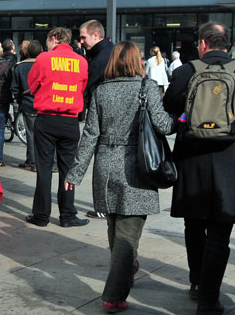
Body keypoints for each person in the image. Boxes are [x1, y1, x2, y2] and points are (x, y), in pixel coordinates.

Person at [65, 41, 175, 313]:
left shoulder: (101, 91)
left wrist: (75, 173)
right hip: (137, 167)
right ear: (137, 61)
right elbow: (163, 124)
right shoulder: (146, 87)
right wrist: (181, 117)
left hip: (106, 165)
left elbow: (90, 135)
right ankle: (113, 296)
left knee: (115, 229)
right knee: (127, 236)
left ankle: (128, 268)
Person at [163, 22, 235, 315]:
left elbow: (168, 107)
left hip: (191, 158)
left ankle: (196, 281)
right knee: (220, 231)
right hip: (229, 160)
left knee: (193, 225)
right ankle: (209, 299)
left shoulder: (184, 71)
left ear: (202, 44)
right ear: (227, 45)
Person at [25, 27, 89, 228]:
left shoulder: (44, 59)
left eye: (48, 41)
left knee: (44, 168)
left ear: (54, 39)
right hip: (70, 121)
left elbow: (32, 85)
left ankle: (41, 215)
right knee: (68, 170)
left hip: (46, 118)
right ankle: (68, 215)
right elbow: (82, 87)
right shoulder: (81, 61)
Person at [79, 19, 114, 219]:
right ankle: (107, 205)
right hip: (113, 113)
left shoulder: (100, 57)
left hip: (102, 113)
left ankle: (102, 206)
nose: (81, 41)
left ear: (95, 35)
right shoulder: (110, 50)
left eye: (84, 37)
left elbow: (88, 85)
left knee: (101, 161)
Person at [12, 40, 42, 171]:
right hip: (42, 104)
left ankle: (33, 162)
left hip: (27, 104)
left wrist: (20, 101)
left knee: (30, 135)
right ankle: (41, 162)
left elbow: (14, 88)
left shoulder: (19, 67)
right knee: (43, 135)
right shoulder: (43, 65)